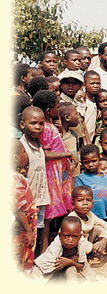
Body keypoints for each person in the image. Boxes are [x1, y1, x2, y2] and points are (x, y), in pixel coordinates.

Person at [32, 90, 77, 248]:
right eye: (57, 107)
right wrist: (67, 154)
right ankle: (43, 251)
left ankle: (48, 249)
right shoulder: (46, 128)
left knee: (51, 216)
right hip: (52, 176)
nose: (59, 109)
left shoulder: (50, 126)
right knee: (47, 217)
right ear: (49, 110)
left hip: (58, 174)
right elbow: (45, 153)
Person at [67, 186, 107, 267]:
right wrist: (92, 247)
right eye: (80, 200)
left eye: (88, 200)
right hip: (74, 247)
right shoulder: (72, 219)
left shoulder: (90, 215)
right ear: (73, 204)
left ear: (92, 203)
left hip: (87, 246)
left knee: (99, 228)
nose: (85, 203)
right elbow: (77, 240)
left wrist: (104, 240)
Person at [19, 106, 50, 252]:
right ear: (22, 124)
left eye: (41, 123)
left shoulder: (39, 144)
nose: (38, 127)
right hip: (25, 199)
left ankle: (36, 259)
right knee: (23, 231)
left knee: (37, 228)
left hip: (40, 197)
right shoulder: (20, 147)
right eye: (33, 123)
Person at [32, 216, 93, 281]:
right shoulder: (56, 246)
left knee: (72, 269)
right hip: (43, 271)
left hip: (60, 273)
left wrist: (70, 262)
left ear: (80, 236)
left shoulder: (80, 246)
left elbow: (81, 266)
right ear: (60, 235)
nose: (70, 240)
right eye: (66, 236)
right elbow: (48, 266)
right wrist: (70, 259)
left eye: (75, 236)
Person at [13, 140, 38, 272]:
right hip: (22, 230)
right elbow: (18, 208)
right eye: (23, 151)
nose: (26, 154)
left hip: (24, 227)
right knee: (20, 256)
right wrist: (28, 231)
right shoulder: (15, 180)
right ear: (16, 157)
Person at [74, 144, 107, 221]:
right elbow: (78, 197)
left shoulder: (105, 177)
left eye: (94, 161)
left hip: (105, 216)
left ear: (99, 159)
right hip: (89, 217)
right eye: (86, 162)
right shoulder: (81, 178)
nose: (90, 165)